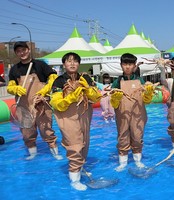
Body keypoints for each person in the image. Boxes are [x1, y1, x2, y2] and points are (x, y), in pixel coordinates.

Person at [50, 52, 102, 191]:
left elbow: (96, 97)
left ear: (79, 64)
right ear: (64, 64)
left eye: (75, 61)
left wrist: (88, 90)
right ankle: (74, 180)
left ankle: (79, 168)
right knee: (75, 145)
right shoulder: (59, 81)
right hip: (67, 117)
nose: (72, 63)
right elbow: (55, 103)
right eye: (68, 61)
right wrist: (70, 98)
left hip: (84, 115)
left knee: (84, 144)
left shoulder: (85, 78)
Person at [7, 41, 62, 160]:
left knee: (46, 130)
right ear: (16, 53)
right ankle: (33, 154)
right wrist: (14, 89)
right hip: (24, 106)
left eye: (23, 50)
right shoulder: (15, 69)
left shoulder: (39, 65)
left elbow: (53, 77)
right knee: (27, 133)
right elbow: (10, 86)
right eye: (18, 51)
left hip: (41, 103)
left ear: (28, 50)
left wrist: (46, 89)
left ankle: (55, 154)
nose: (22, 53)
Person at [110, 53, 154, 172]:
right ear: (121, 65)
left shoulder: (139, 80)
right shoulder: (117, 81)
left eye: (130, 64)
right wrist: (115, 98)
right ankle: (122, 163)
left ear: (134, 65)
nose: (127, 67)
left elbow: (146, 98)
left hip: (138, 114)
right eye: (125, 64)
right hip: (123, 115)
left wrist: (148, 93)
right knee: (123, 137)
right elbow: (112, 100)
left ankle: (138, 161)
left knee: (137, 137)